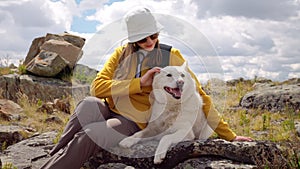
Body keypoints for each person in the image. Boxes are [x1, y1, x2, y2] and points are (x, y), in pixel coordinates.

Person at [41, 7, 252, 169]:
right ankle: (56, 152)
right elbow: (97, 88)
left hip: (134, 120)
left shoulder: (172, 56)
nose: (150, 41)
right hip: (110, 107)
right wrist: (140, 83)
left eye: (154, 35)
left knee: (91, 133)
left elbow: (200, 95)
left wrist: (230, 136)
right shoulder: (120, 54)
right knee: (88, 104)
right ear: (133, 40)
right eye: (143, 38)